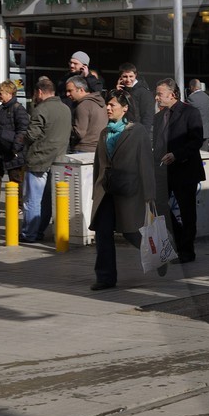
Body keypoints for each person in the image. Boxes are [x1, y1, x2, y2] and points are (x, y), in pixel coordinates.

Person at [88, 89, 158, 291]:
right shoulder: (104, 133)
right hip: (106, 192)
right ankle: (105, 278)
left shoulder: (137, 132)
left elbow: (146, 164)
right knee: (102, 233)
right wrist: (95, 191)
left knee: (131, 233)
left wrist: (150, 196)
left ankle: (158, 253)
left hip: (129, 191)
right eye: (107, 105)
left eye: (113, 105)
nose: (108, 109)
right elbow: (98, 165)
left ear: (125, 108)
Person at [153, 77, 205, 264]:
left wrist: (176, 154)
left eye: (159, 94)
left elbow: (196, 140)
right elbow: (157, 143)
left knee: (187, 211)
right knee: (159, 206)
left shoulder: (190, 113)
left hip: (185, 170)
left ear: (172, 94)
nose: (157, 98)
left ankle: (187, 250)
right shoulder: (159, 117)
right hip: (163, 172)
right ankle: (180, 238)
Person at [21, 76, 72, 243]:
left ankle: (30, 233)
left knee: (32, 200)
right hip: (58, 160)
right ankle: (40, 230)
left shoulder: (40, 110)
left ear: (40, 92)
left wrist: (23, 139)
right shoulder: (65, 108)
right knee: (47, 201)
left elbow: (32, 134)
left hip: (39, 160)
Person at [0, 80, 29, 216]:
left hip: (13, 151)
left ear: (9, 93)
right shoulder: (1, 108)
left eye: (0, 93)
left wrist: (15, 148)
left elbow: (23, 130)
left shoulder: (18, 109)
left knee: (15, 180)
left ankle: (18, 206)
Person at [64, 74, 108, 153]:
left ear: (81, 90)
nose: (67, 94)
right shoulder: (101, 103)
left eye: (70, 90)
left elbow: (79, 133)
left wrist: (66, 126)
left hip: (84, 149)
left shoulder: (83, 105)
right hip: (99, 149)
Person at [117, 63, 155, 130]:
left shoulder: (143, 92)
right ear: (120, 77)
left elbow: (147, 116)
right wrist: (117, 93)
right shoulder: (122, 91)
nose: (128, 80)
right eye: (125, 77)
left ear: (135, 75)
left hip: (137, 132)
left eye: (131, 76)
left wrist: (143, 135)